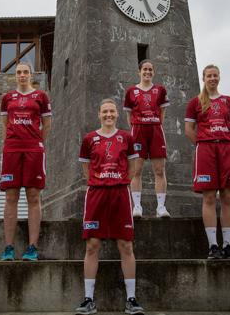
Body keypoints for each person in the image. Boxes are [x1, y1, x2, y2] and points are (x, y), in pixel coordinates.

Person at [74, 98, 144, 315]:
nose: (108, 115)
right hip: (97, 194)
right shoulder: (89, 139)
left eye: (112, 111)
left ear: (116, 114)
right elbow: (86, 168)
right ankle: (88, 299)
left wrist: (119, 180)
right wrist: (99, 181)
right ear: (99, 114)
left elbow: (133, 167)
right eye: (105, 111)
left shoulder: (126, 137)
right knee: (92, 246)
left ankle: (131, 299)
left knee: (126, 246)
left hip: (120, 194)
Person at [184, 65, 230, 260]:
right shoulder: (196, 102)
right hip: (206, 149)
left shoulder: (229, 101)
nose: (212, 78)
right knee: (208, 197)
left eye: (215, 75)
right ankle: (213, 246)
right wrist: (203, 142)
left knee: (227, 196)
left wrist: (225, 140)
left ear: (219, 77)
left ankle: (227, 245)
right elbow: (189, 129)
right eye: (209, 76)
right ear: (203, 78)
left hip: (226, 148)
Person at [0, 63, 51, 261]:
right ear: (15, 76)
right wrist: (9, 143)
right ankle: (9, 247)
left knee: (33, 195)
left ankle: (32, 247)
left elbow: (47, 125)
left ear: (31, 75)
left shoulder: (41, 96)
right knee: (11, 196)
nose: (22, 75)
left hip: (33, 148)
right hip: (12, 149)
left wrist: (36, 142)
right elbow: (5, 124)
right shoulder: (7, 98)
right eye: (19, 72)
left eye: (25, 72)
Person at [123, 60, 171, 218]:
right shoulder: (131, 91)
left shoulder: (160, 90)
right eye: (145, 69)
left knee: (159, 170)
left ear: (154, 72)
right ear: (139, 72)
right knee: (136, 170)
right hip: (138, 130)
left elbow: (162, 113)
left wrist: (154, 122)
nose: (147, 72)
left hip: (156, 129)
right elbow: (129, 115)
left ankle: (161, 207)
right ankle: (137, 206)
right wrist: (137, 125)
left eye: (150, 70)